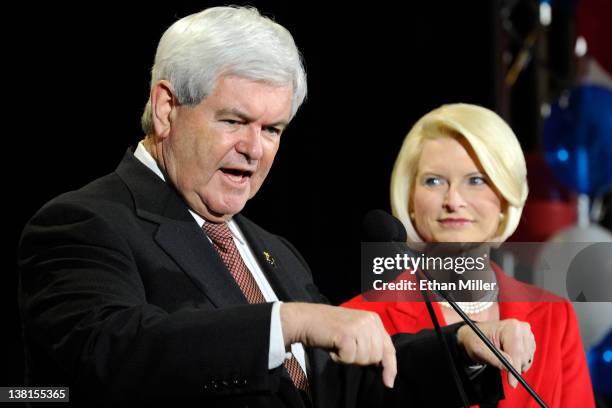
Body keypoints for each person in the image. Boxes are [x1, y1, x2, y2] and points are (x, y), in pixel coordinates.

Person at [19, 8, 535, 407]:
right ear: (166, 108)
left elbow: (342, 390)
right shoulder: (84, 223)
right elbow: (111, 355)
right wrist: (285, 323)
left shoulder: (272, 252)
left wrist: (464, 348)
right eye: (233, 121)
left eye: (272, 129)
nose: (255, 148)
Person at [343, 103, 595, 407]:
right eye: (433, 181)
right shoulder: (359, 319)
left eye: (476, 180)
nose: (453, 200)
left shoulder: (556, 317)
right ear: (410, 198)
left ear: (505, 197)